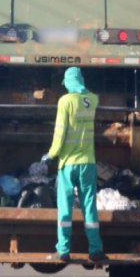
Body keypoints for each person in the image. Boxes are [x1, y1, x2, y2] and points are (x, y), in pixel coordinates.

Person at [41, 67, 106, 263]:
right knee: (89, 207)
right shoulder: (93, 100)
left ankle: (63, 250)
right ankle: (95, 249)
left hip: (68, 164)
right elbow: (92, 97)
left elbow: (59, 134)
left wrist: (50, 155)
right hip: (88, 164)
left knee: (65, 208)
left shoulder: (65, 101)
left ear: (69, 82)